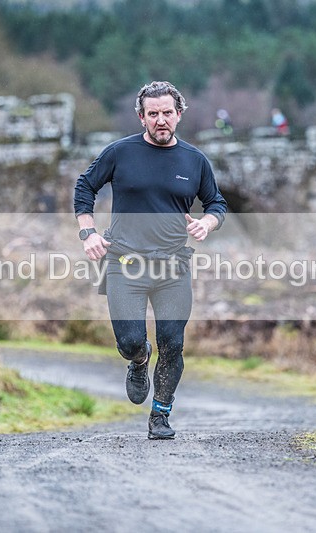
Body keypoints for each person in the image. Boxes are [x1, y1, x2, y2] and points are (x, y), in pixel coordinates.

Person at [74, 81, 227, 440]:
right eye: (153, 113)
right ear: (142, 117)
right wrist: (88, 233)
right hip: (125, 263)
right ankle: (139, 361)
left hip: (173, 266)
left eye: (167, 113)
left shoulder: (195, 160)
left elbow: (216, 202)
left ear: (179, 115)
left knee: (173, 343)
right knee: (129, 342)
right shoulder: (119, 153)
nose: (161, 120)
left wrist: (207, 222)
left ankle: (160, 415)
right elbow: (85, 186)